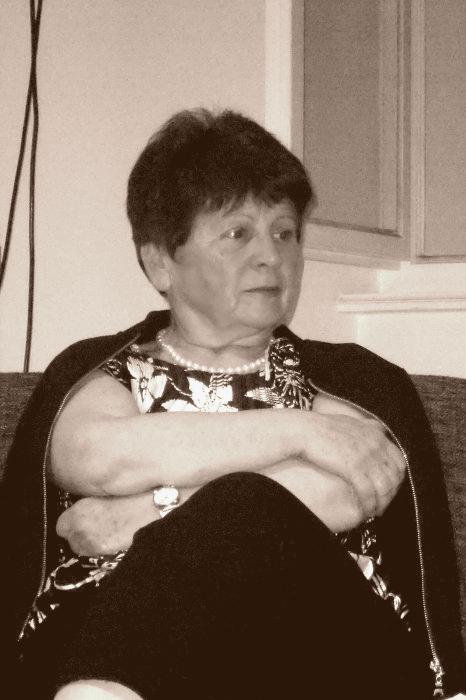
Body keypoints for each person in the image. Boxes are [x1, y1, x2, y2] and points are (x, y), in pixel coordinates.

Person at [1, 109, 464, 700]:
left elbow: (353, 487)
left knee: (250, 504)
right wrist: (300, 434)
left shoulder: (351, 380)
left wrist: (144, 513)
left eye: (285, 232)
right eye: (238, 233)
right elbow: (92, 457)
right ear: (159, 262)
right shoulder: (101, 371)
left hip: (320, 646)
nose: (272, 256)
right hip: (106, 633)